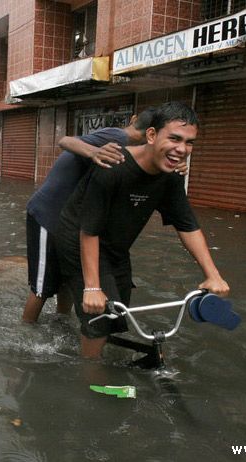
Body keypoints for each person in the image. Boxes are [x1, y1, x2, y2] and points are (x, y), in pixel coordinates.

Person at [55, 101, 230, 359]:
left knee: (120, 310)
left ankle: (81, 327)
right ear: (151, 135)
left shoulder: (170, 176)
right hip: (78, 237)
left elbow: (187, 225)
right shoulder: (113, 166)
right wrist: (92, 286)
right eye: (174, 138)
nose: (181, 149)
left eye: (189, 142)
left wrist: (213, 275)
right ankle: (90, 376)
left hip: (116, 245)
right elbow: (89, 230)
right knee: (100, 317)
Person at [21, 110, 160, 324]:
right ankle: (25, 333)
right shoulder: (118, 137)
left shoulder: (131, 149)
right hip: (47, 215)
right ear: (152, 135)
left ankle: (61, 322)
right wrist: (94, 152)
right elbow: (65, 140)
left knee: (67, 279)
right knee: (42, 286)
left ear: (133, 120)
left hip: (70, 222)